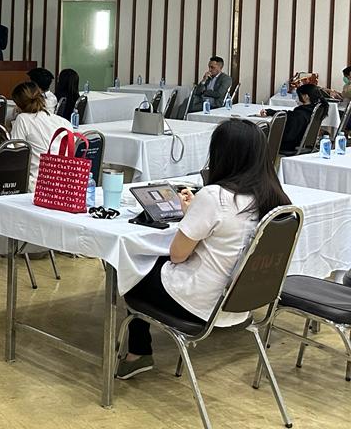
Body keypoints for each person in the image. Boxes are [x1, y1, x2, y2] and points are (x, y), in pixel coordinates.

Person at [117, 120, 291, 379]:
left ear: (221, 154)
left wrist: (192, 215)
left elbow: (178, 255)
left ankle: (138, 352)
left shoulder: (214, 197)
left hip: (201, 304)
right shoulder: (275, 198)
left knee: (134, 268)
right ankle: (138, 351)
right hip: (241, 303)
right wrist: (193, 215)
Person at [9, 81, 72, 191]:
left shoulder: (23, 119)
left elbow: (16, 154)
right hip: (64, 184)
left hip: (37, 184)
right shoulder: (63, 122)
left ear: (18, 105)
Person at [259, 83, 326, 154]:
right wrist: (271, 112)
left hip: (288, 145)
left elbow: (287, 136)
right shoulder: (313, 110)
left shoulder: (299, 115)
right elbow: (290, 114)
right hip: (299, 143)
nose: (296, 98)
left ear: (306, 97)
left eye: (298, 96)